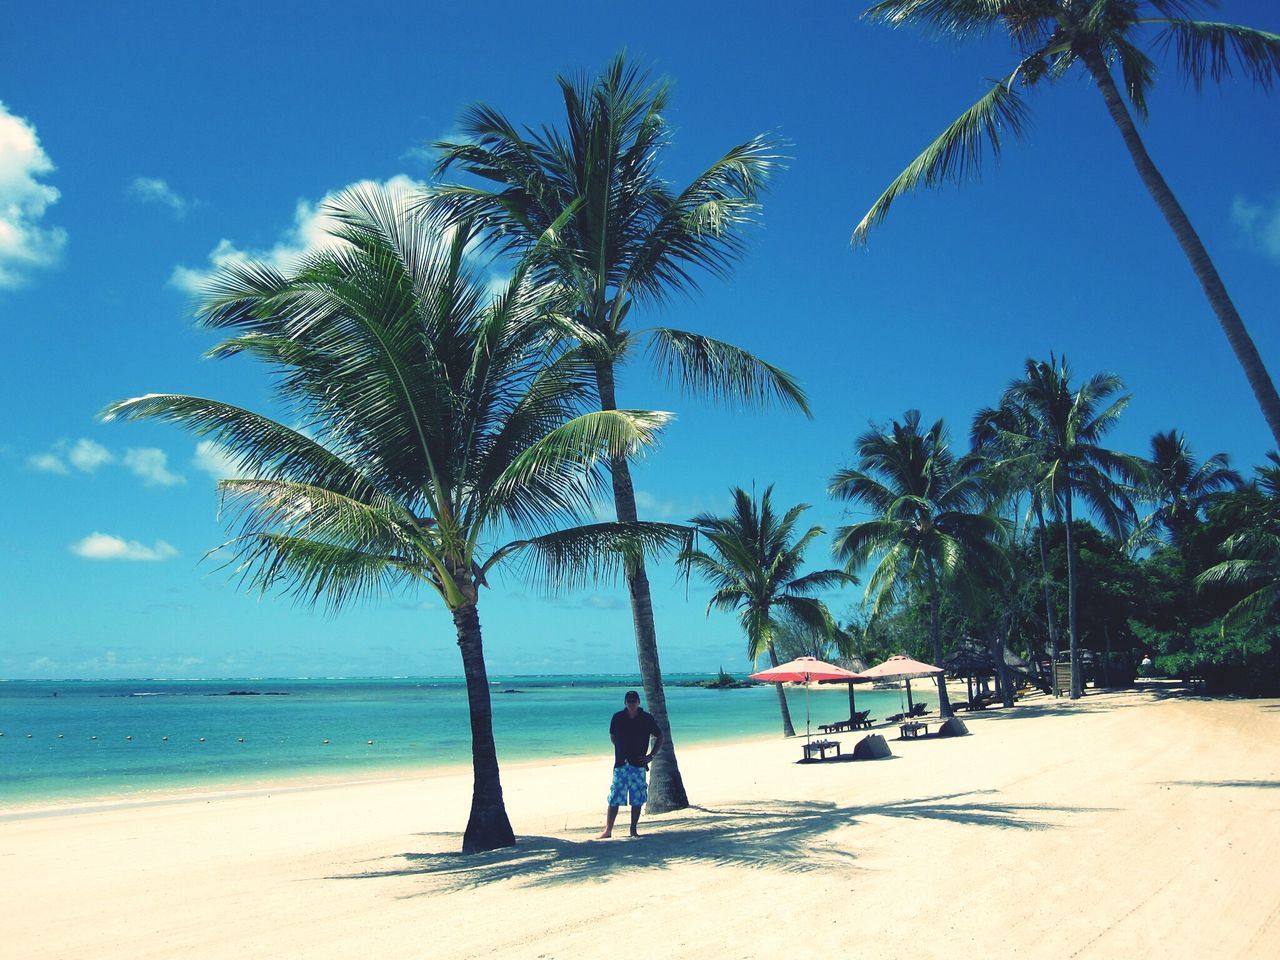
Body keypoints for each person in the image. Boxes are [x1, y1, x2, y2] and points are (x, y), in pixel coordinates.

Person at [597, 689, 663, 839]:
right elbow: (613, 737)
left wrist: (651, 756)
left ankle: (633, 830)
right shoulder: (618, 717)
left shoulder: (646, 719)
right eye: (629, 701)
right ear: (625, 703)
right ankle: (608, 830)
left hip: (638, 765)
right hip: (621, 764)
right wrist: (621, 749)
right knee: (614, 797)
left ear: (639, 702)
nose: (632, 704)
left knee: (637, 799)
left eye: (634, 701)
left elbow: (660, 736)